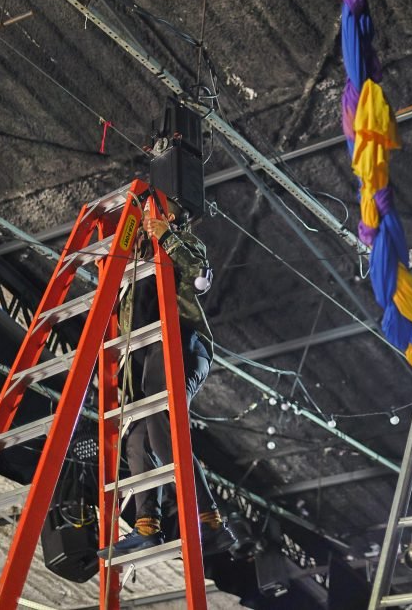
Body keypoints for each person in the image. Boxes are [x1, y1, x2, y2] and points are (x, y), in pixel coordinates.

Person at [98, 197, 255, 560]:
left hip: (180, 342)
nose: (147, 222)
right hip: (142, 354)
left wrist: (167, 237)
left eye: (158, 215)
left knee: (159, 423)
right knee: (136, 439)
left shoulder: (184, 243)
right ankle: (147, 526)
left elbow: (199, 279)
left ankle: (211, 521)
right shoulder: (133, 259)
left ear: (169, 216)